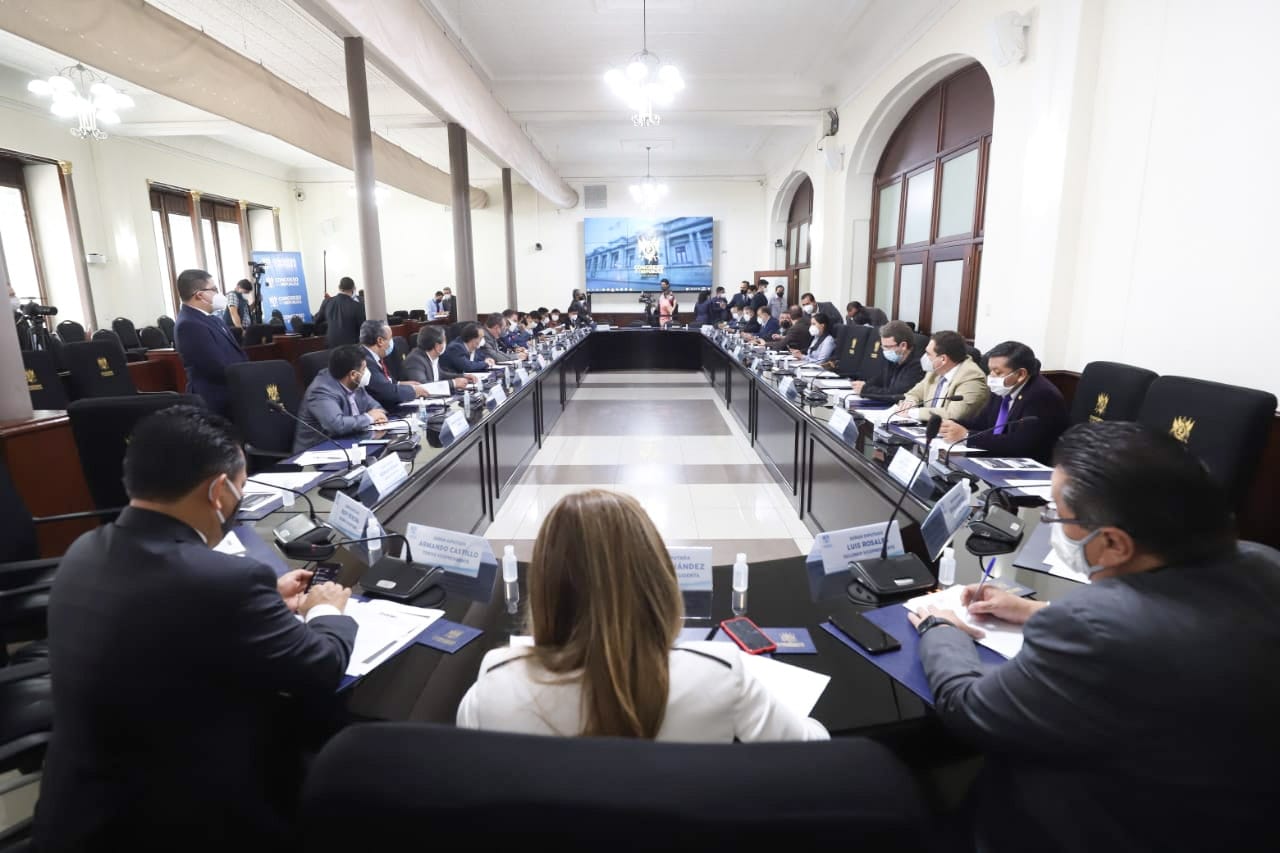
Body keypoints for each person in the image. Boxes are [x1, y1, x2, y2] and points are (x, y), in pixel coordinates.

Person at [908, 421, 1280, 853]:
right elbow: (1179, 632)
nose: (1056, 526)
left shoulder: (1090, 626)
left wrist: (942, 628)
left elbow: (969, 709)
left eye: (1058, 515)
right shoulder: (1265, 563)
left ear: (1114, 544)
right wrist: (1033, 610)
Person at [34, 405, 356, 849]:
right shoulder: (226, 581)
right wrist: (325, 611)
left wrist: (263, 602)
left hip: (75, 812)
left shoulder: (84, 550)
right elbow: (320, 668)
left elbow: (169, 618)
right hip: (182, 821)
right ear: (219, 491)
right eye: (241, 489)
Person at [457, 489, 828, 742]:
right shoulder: (719, 675)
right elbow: (814, 749)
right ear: (658, 578)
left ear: (543, 587)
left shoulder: (494, 682)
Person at [938, 340, 1070, 463]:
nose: (991, 377)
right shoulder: (1004, 388)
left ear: (1021, 374)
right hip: (998, 458)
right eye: (990, 371)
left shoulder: (1042, 395)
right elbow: (982, 423)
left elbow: (1021, 443)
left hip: (1029, 466)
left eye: (997, 372)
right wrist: (949, 425)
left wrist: (966, 435)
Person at [173, 268, 248, 417]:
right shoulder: (188, 324)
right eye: (214, 289)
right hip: (215, 400)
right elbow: (215, 366)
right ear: (200, 295)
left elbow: (236, 352)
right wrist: (245, 376)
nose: (218, 293)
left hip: (232, 393)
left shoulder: (211, 318)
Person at [293, 345, 388, 452]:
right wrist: (369, 418)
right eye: (364, 368)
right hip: (318, 454)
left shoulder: (355, 383)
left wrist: (379, 417)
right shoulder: (321, 390)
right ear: (353, 374)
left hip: (349, 443)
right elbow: (337, 425)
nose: (367, 372)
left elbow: (376, 407)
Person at [895, 330, 989, 422]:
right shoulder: (935, 370)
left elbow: (953, 414)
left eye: (928, 354)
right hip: (927, 428)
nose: (924, 357)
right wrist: (910, 403)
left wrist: (912, 412)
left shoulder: (972, 377)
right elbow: (913, 394)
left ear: (943, 359)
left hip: (954, 434)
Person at [359, 319, 429, 409]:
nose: (392, 342)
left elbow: (386, 382)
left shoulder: (372, 356)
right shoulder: (365, 362)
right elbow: (387, 391)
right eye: (390, 338)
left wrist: (401, 384)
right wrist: (414, 391)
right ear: (380, 341)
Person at [852, 321, 924, 398]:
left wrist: (866, 390)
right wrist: (865, 385)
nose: (885, 351)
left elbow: (896, 394)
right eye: (883, 346)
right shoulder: (894, 358)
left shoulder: (918, 365)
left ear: (903, 345)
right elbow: (881, 379)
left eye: (888, 347)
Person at [402, 326, 475, 389]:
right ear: (437, 346)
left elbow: (440, 375)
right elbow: (422, 386)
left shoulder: (432, 356)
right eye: (445, 341)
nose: (446, 343)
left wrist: (463, 376)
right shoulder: (415, 360)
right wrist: (453, 383)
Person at [322, 276, 365, 347]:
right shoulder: (358, 306)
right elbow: (363, 328)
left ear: (339, 287)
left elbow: (317, 320)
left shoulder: (327, 302)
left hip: (330, 346)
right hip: (351, 348)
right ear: (353, 288)